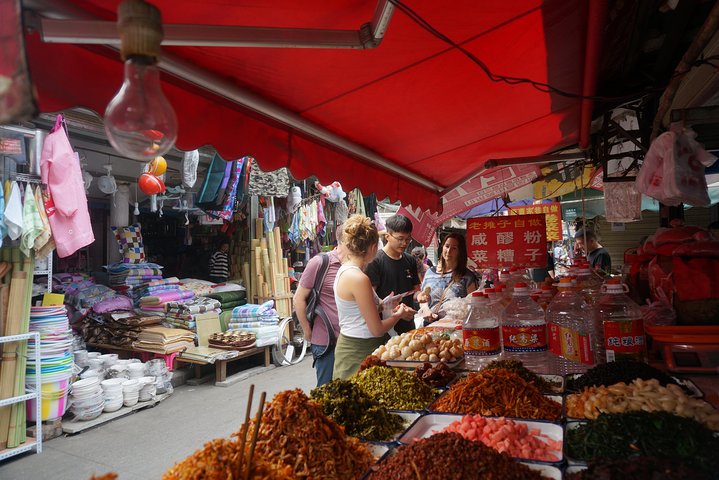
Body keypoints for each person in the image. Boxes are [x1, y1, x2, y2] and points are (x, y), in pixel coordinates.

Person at [333, 215, 415, 379]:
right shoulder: (359, 278)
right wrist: (397, 315)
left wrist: (384, 304)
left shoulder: (346, 270)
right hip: (359, 348)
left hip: (352, 343)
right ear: (372, 247)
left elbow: (358, 309)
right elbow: (377, 329)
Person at [293, 227, 345, 387]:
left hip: (351, 341)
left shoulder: (360, 265)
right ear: (343, 240)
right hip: (326, 341)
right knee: (326, 392)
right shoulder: (320, 262)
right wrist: (307, 332)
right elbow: (299, 299)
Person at [365, 214, 420, 334]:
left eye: (408, 239)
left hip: (408, 326)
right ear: (387, 236)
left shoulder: (410, 260)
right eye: (400, 239)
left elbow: (415, 291)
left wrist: (421, 296)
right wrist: (398, 312)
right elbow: (371, 299)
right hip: (386, 329)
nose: (404, 243)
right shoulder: (375, 261)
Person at [417, 233, 477, 311]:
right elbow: (423, 298)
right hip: (429, 322)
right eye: (447, 246)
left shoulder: (467, 276)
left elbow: (472, 306)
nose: (449, 251)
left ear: (460, 252)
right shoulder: (430, 272)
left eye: (454, 248)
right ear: (443, 247)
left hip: (455, 322)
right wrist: (426, 312)